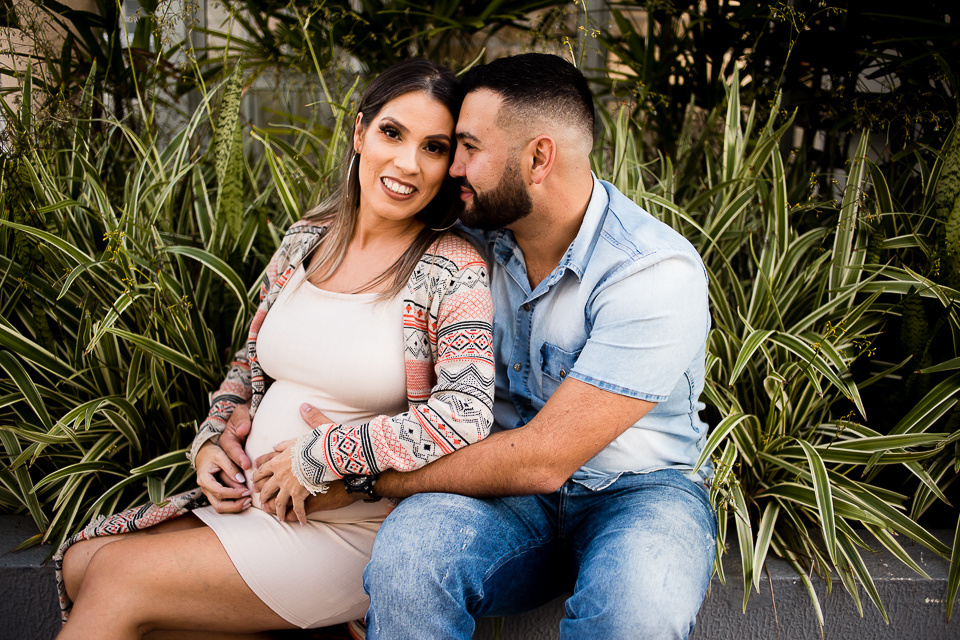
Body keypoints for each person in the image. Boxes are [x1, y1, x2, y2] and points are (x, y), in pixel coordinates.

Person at [244, 52, 716, 639]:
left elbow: (545, 459)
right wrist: (241, 411)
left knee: (637, 611)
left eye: (467, 148)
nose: (453, 168)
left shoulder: (649, 273)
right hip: (497, 497)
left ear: (538, 158)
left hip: (637, 491)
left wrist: (362, 477)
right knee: (411, 557)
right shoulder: (471, 236)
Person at [53, 58, 495, 640]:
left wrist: (325, 455)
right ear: (360, 133)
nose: (408, 163)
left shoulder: (452, 268)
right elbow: (248, 363)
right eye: (392, 133)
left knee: (117, 577)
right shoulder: (307, 239)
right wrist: (212, 440)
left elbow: (466, 413)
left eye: (433, 147)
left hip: (352, 524)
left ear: (448, 165)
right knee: (83, 565)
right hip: (258, 502)